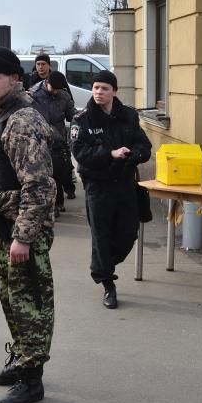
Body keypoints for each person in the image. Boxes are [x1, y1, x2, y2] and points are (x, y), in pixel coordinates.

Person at [0, 46, 55, 403]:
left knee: (30, 305)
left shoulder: (22, 120)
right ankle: (22, 361)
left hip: (24, 232)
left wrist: (24, 237)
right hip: (6, 226)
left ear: (14, 79)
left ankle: (32, 380)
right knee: (11, 300)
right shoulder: (1, 113)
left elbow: (38, 186)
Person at [71, 70, 152, 309]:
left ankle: (104, 264)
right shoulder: (82, 119)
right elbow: (80, 153)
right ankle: (107, 283)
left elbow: (144, 144)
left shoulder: (128, 115)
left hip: (125, 184)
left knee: (129, 233)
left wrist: (135, 154)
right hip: (98, 186)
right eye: (96, 87)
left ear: (114, 91)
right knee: (101, 235)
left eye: (104, 88)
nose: (99, 92)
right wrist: (110, 154)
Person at [28, 70, 77, 216]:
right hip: (40, 140)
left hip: (59, 139)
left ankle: (59, 201)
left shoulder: (64, 95)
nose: (56, 92)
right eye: (53, 89)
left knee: (61, 171)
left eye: (58, 89)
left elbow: (71, 114)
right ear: (47, 83)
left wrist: (78, 116)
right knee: (45, 174)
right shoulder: (33, 95)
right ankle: (50, 205)